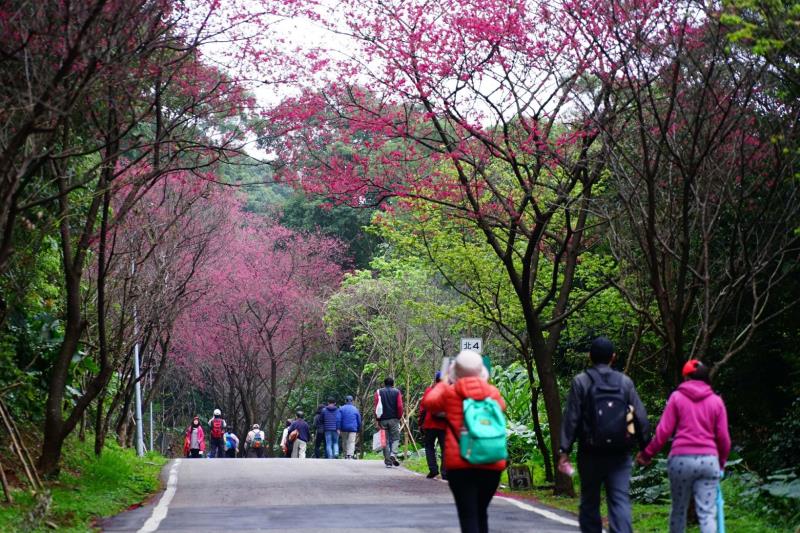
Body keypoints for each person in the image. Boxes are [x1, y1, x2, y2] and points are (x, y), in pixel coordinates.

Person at [558, 336, 650, 533]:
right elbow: (640, 416)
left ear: (590, 357)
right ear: (613, 357)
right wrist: (645, 448)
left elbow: (571, 418)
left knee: (590, 500)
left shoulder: (581, 381)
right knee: (619, 500)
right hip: (620, 453)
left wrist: (564, 450)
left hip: (590, 452)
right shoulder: (625, 382)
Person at [636, 360, 731, 533]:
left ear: (686, 377)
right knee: (707, 514)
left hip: (681, 461)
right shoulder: (716, 401)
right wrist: (721, 463)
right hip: (709, 462)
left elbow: (663, 431)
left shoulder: (677, 397)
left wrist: (647, 453)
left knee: (678, 511)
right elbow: (724, 439)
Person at [422, 350, 506, 533]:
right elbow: (501, 409)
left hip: (461, 463)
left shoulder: (450, 394)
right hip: (491, 462)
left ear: (455, 373)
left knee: (468, 515)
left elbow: (428, 402)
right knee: (481, 512)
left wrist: (444, 383)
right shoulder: (493, 393)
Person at [420, 371, 447, 479]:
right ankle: (445, 473)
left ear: (435, 379)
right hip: (444, 425)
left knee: (429, 446)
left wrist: (420, 423)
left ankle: (433, 469)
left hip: (429, 424)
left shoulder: (429, 390)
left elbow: (423, 408)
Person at [375, 377, 404, 468]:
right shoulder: (396, 392)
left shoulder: (379, 392)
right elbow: (399, 406)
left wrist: (377, 419)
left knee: (385, 441)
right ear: (393, 384)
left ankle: (388, 462)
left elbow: (376, 406)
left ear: (384, 383)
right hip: (394, 419)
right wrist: (399, 417)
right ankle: (393, 454)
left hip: (383, 419)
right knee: (395, 438)